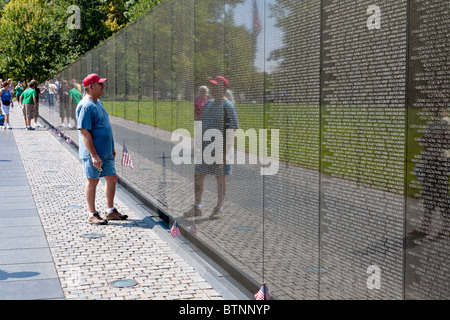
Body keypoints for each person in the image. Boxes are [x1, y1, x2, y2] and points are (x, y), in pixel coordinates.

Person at [184, 76, 239, 220]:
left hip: (220, 148)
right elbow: (201, 124)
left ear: (224, 89)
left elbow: (233, 130)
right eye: (213, 86)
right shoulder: (208, 103)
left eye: (217, 87)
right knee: (198, 175)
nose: (213, 89)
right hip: (205, 147)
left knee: (220, 178)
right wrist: (197, 143)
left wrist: (225, 153)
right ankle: (197, 207)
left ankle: (219, 208)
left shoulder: (228, 106)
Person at [76, 73, 128, 225]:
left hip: (105, 153)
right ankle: (92, 214)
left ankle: (110, 211)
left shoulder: (97, 102)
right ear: (91, 87)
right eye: (100, 84)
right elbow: (84, 131)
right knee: (93, 181)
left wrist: (111, 148)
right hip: (95, 154)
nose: (103, 85)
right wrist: (93, 155)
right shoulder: (86, 105)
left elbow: (104, 127)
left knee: (112, 178)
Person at [411, 91, 450, 238]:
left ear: (438, 105)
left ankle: (447, 227)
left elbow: (447, 143)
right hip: (429, 161)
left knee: (441, 194)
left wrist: (428, 142)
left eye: (430, 104)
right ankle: (425, 227)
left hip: (439, 162)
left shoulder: (445, 121)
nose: (428, 106)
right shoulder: (434, 121)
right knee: (427, 194)